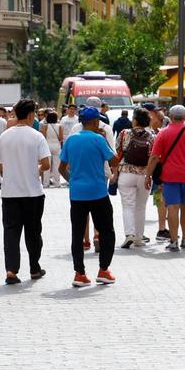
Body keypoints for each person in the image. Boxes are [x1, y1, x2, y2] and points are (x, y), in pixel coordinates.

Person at [0, 99, 51, 284]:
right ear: (32, 114)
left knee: (11, 232)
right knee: (33, 232)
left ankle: (11, 270)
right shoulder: (37, 136)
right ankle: (34, 267)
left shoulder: (5, 136)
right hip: (33, 192)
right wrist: (35, 169)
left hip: (10, 193)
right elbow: (47, 164)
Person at [59, 106, 118, 287]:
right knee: (107, 231)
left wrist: (73, 181)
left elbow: (61, 168)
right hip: (98, 192)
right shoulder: (99, 139)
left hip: (77, 194)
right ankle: (103, 270)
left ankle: (79, 274)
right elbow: (114, 160)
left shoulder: (71, 140)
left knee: (77, 233)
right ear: (94, 122)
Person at [144, 105, 185, 252]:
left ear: (170, 116)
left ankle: (174, 241)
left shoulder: (163, 133)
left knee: (172, 207)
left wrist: (148, 175)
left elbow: (154, 157)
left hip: (170, 176)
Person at [116, 108, 154, 248]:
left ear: (136, 120)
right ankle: (139, 237)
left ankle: (129, 234)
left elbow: (118, 151)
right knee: (141, 207)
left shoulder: (124, 133)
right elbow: (154, 156)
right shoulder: (152, 135)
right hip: (144, 174)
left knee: (128, 205)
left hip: (126, 172)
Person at [41, 109, 65, 188]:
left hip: (47, 145)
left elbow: (43, 137)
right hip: (56, 145)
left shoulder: (45, 126)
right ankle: (57, 183)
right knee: (56, 165)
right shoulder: (59, 126)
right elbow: (61, 138)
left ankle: (45, 183)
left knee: (47, 165)